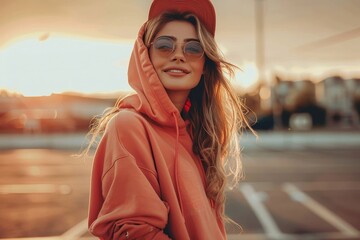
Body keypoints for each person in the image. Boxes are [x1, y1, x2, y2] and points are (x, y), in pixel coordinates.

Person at [86, 0, 253, 239]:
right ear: (146, 56)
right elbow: (133, 232)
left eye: (193, 48)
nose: (178, 55)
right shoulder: (129, 126)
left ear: (205, 64)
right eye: (165, 45)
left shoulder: (196, 134)